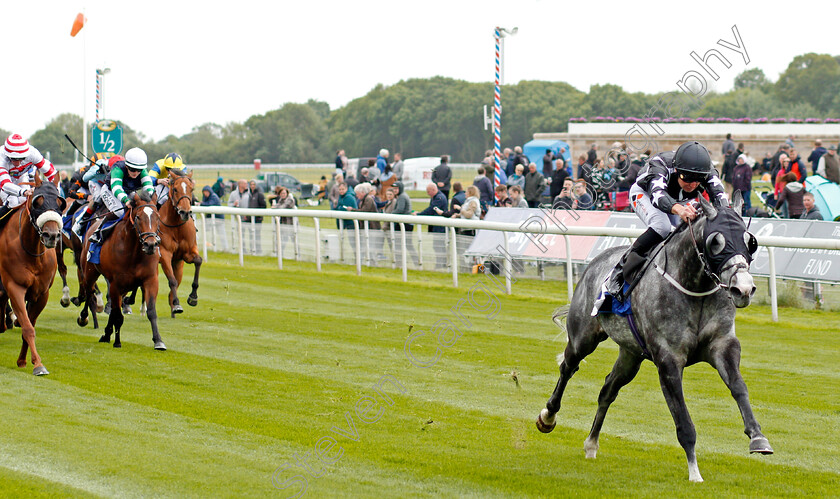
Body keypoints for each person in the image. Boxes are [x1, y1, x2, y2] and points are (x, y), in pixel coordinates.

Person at [604, 141, 727, 300]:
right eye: (687, 178)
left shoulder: (709, 171)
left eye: (698, 180)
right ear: (676, 170)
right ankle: (619, 272)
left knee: (682, 235)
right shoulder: (660, 165)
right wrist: (680, 210)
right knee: (661, 227)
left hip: (678, 200)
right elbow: (658, 196)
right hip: (646, 194)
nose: (693, 184)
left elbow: (721, 198)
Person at [90, 148, 154, 243]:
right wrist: (126, 200)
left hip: (128, 191)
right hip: (110, 190)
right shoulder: (118, 168)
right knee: (119, 212)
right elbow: (116, 188)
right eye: (132, 169)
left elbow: (149, 187)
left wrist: (147, 199)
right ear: (127, 166)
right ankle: (97, 232)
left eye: (139, 170)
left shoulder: (143, 171)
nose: (135, 172)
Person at [0, 134, 59, 224]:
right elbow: (5, 184)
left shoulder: (33, 153)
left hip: (21, 177)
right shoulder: (2, 157)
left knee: (25, 201)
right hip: (4, 181)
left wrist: (54, 192)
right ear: (7, 155)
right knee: (13, 202)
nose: (18, 163)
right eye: (14, 159)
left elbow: (51, 173)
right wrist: (23, 192)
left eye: (21, 159)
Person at [71, 155, 114, 239]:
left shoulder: (113, 166)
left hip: (104, 184)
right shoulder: (81, 173)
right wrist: (86, 196)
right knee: (98, 197)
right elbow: (71, 192)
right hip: (91, 185)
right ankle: (82, 220)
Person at [414, 183, 448, 268]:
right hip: (437, 225)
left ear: (433, 190)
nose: (427, 193)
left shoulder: (439, 198)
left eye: (428, 191)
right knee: (437, 245)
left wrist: (419, 214)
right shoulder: (436, 197)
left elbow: (431, 209)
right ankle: (441, 263)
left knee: (438, 245)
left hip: (440, 226)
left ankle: (441, 264)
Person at [200, 185, 228, 251]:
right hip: (210, 219)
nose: (205, 194)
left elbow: (210, 204)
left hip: (219, 219)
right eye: (204, 192)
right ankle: (209, 246)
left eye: (206, 192)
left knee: (221, 234)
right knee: (206, 232)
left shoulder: (214, 196)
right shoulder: (206, 197)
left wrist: (201, 204)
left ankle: (225, 247)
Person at [246, 180, 266, 255]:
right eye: (251, 184)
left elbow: (263, 206)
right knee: (251, 235)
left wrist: (259, 215)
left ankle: (258, 250)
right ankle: (252, 249)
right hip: (250, 219)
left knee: (257, 235)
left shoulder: (259, 194)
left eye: (254, 184)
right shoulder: (249, 194)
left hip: (257, 219)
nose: (252, 186)